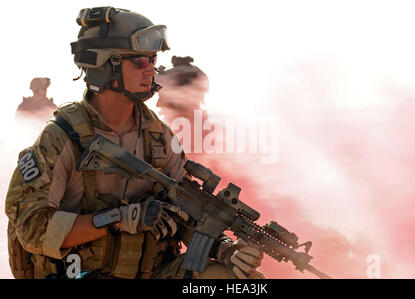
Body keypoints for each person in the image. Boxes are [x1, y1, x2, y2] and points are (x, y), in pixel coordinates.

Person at [5, 7, 264, 279]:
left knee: (240, 281)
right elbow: (33, 230)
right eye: (139, 61)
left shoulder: (159, 136)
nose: (151, 69)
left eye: (152, 60)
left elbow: (184, 214)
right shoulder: (62, 137)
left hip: (152, 272)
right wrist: (118, 219)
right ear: (105, 65)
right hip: (82, 274)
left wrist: (224, 249)